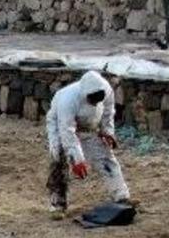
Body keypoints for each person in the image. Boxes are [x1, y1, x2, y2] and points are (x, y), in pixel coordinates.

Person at [45, 71, 131, 219]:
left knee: (106, 158)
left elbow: (108, 111)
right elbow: (67, 132)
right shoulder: (68, 99)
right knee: (59, 161)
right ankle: (58, 204)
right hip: (61, 125)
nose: (95, 103)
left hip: (89, 126)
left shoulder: (106, 90)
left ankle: (121, 195)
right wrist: (77, 160)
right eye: (92, 100)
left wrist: (107, 131)